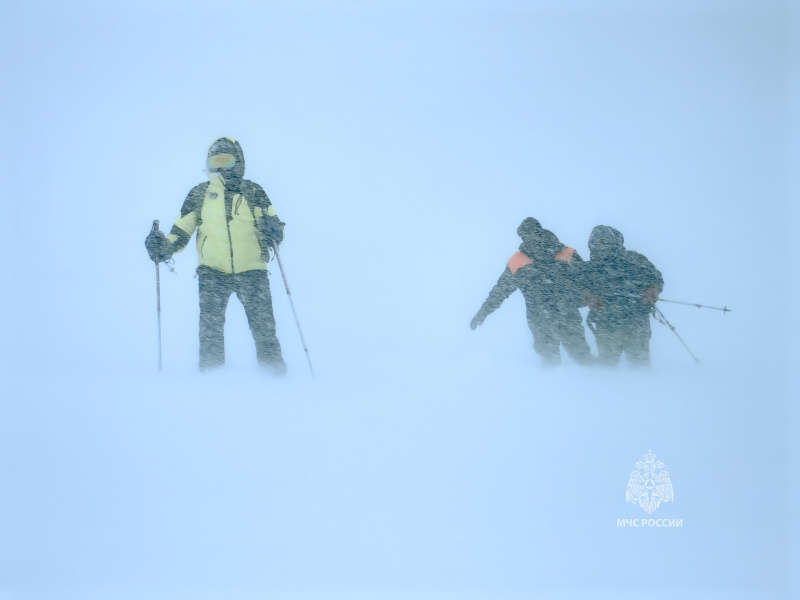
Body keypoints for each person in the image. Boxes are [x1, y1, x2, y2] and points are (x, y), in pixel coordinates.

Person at [145, 137, 287, 373]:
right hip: (212, 273)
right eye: (215, 161)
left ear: (238, 162)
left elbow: (276, 226)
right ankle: (211, 381)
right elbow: (181, 231)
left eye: (227, 161)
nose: (220, 167)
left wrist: (274, 231)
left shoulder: (253, 191)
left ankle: (275, 379)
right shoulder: (199, 194)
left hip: (252, 272)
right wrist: (162, 246)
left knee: (264, 329)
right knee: (210, 331)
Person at [470, 218, 594, 366]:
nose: (531, 238)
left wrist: (483, 312)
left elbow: (500, 291)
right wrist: (483, 311)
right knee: (570, 358)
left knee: (560, 359)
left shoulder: (524, 259)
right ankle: (589, 381)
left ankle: (581, 381)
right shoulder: (562, 253)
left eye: (530, 234)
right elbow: (500, 291)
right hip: (556, 315)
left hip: (547, 316)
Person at [577, 225, 663, 367]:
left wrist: (652, 290)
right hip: (606, 324)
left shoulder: (635, 260)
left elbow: (656, 278)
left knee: (640, 365)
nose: (601, 248)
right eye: (597, 244)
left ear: (615, 243)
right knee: (607, 367)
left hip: (637, 322)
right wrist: (589, 298)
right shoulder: (589, 268)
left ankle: (644, 387)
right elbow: (578, 288)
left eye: (606, 243)